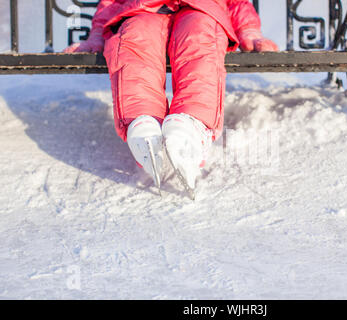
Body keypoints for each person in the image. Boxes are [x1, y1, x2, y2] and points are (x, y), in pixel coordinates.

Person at [64, 0, 278, 197]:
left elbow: (236, 2)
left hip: (201, 8)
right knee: (135, 38)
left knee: (200, 38)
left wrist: (248, 30)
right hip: (142, 8)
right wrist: (96, 35)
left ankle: (193, 124)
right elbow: (112, 2)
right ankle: (142, 122)